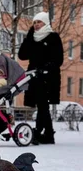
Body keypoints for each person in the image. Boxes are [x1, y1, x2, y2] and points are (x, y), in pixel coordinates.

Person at [17, 11, 64, 145]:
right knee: (41, 105)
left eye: (39, 22)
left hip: (48, 76)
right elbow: (22, 55)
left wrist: (47, 68)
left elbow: (58, 59)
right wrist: (29, 37)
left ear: (45, 22)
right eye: (35, 22)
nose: (36, 25)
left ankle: (40, 132)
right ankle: (47, 134)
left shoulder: (53, 37)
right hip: (34, 76)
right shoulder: (33, 38)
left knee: (43, 104)